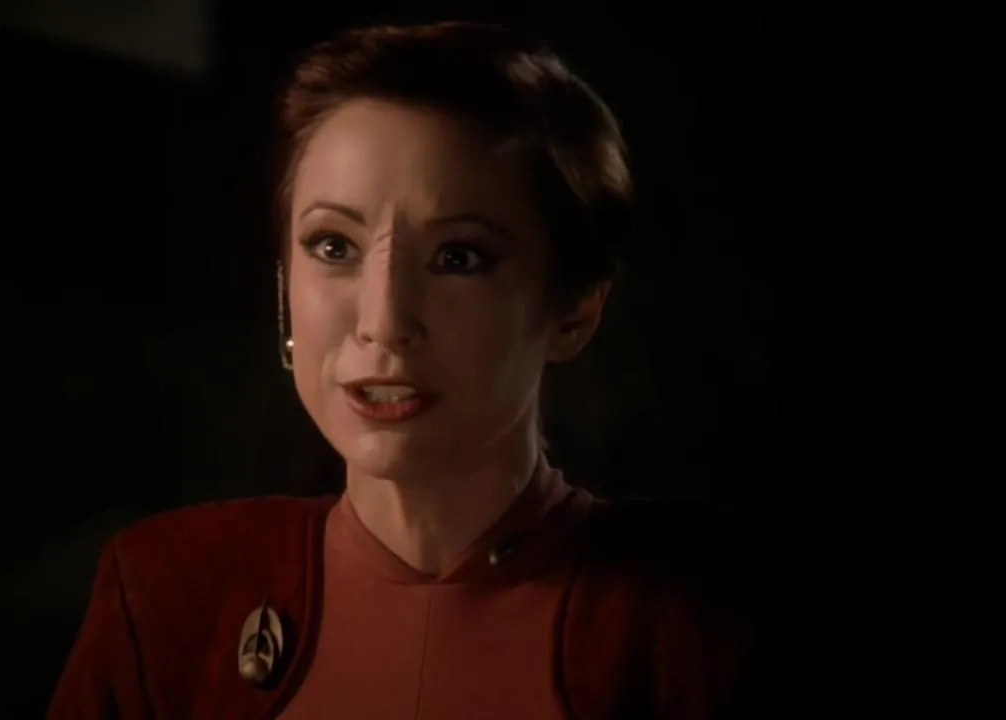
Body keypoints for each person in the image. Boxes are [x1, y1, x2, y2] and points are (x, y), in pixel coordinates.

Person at [48, 21, 766, 720]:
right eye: (333, 246)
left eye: (459, 257)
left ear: (574, 309)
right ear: (283, 285)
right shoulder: (169, 595)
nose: (384, 320)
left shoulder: (705, 622)